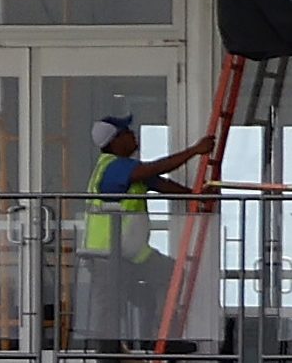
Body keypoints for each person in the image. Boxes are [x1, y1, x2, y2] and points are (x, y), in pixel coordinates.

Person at [72, 112, 204, 346]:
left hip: (130, 250)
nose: (134, 136)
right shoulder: (112, 167)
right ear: (115, 141)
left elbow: (162, 184)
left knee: (170, 274)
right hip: (107, 254)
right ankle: (107, 359)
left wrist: (198, 197)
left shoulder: (130, 171)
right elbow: (152, 171)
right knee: (111, 307)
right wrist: (194, 151)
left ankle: (159, 338)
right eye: (127, 133)